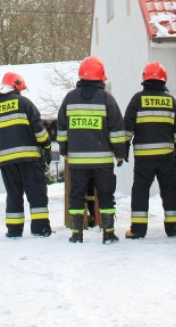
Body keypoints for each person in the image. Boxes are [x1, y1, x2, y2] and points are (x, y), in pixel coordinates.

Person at [56, 56, 127, 244]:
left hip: (77, 160)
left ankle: (77, 234)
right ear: (100, 77)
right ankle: (109, 233)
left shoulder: (70, 98)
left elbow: (62, 129)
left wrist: (64, 150)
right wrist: (120, 153)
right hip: (102, 160)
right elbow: (117, 129)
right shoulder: (106, 99)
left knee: (76, 196)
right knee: (105, 196)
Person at [0, 72, 53, 238]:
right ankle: (40, 229)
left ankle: (14, 231)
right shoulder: (24, 104)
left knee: (13, 195)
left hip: (6, 161)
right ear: (17, 86)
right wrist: (47, 147)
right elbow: (39, 130)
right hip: (29, 159)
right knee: (36, 194)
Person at [123, 61, 176, 239]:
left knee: (140, 191)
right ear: (164, 80)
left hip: (144, 157)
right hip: (166, 156)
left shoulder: (137, 100)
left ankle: (138, 230)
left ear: (145, 79)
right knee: (169, 191)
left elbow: (127, 127)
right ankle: (172, 228)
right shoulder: (171, 101)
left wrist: (124, 147)